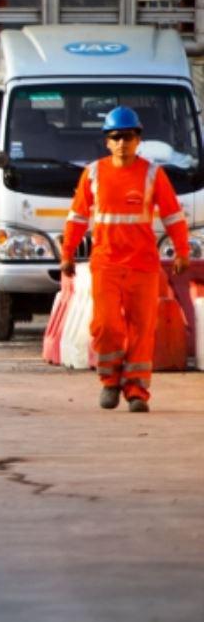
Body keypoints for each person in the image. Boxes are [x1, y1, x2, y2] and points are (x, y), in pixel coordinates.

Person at [59, 107, 189, 412]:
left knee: (142, 329)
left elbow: (173, 216)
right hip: (106, 264)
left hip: (143, 266)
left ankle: (136, 392)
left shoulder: (153, 174)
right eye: (116, 137)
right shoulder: (92, 174)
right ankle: (109, 381)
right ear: (107, 141)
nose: (122, 143)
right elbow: (77, 218)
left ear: (138, 139)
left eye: (128, 136)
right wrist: (67, 253)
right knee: (106, 326)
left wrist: (182, 250)